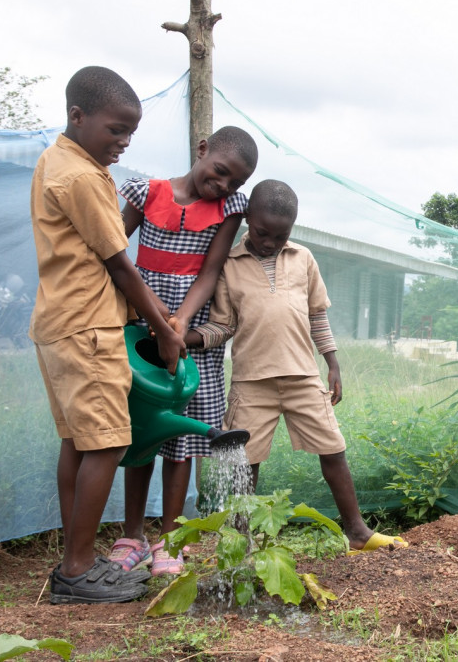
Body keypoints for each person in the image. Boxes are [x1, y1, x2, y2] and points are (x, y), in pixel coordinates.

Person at [29, 66, 186, 604]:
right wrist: (166, 330)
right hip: (86, 328)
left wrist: (144, 312)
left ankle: (79, 558)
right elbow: (119, 264)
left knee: (78, 439)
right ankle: (76, 570)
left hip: (61, 321)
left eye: (129, 134)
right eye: (115, 130)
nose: (122, 144)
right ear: (78, 116)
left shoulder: (56, 161)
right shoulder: (82, 176)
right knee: (110, 440)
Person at [187, 179, 407, 554]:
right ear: (248, 220)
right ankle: (242, 543)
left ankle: (357, 532)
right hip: (251, 382)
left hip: (303, 376)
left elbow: (316, 315)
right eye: (262, 232)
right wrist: (187, 338)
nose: (270, 241)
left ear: (293, 229)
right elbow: (224, 326)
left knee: (333, 449)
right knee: (245, 462)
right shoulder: (230, 265)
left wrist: (332, 363)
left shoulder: (302, 258)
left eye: (281, 234)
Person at [105, 126, 258, 577]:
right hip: (140, 328)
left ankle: (171, 538)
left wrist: (180, 323)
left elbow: (209, 274)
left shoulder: (228, 208)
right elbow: (115, 253)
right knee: (144, 430)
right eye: (221, 172)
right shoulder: (145, 192)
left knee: (182, 440)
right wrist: (154, 318)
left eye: (235, 182)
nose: (225, 185)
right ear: (202, 149)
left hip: (188, 339)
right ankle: (133, 534)